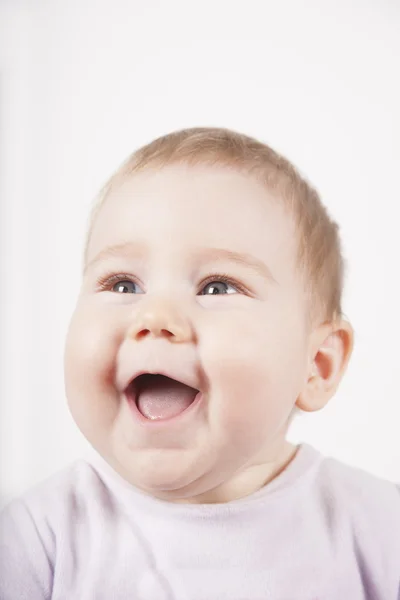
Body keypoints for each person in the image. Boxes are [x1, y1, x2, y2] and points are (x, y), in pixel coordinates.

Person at [1, 127, 399, 599]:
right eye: (123, 284)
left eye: (217, 287)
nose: (155, 317)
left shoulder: (378, 531)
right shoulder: (36, 539)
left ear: (316, 364)